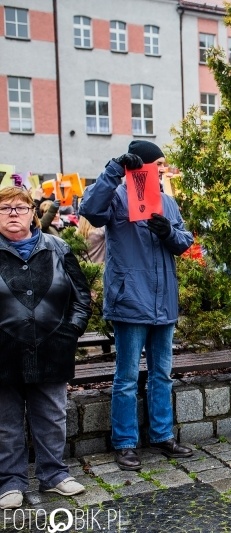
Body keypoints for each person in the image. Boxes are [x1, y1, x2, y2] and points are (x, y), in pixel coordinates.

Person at [80, 140, 194, 471]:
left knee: (162, 374)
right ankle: (125, 443)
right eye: (157, 163)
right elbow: (89, 210)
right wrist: (114, 168)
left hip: (164, 303)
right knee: (127, 377)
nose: (162, 169)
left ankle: (162, 435)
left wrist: (168, 232)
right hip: (131, 301)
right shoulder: (117, 198)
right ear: (140, 165)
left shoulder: (168, 202)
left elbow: (184, 242)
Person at [0, 187, 92, 509]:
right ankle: (10, 481)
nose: (13, 213)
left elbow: (81, 298)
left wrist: (69, 332)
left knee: (52, 416)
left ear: (32, 214)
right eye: (5, 208)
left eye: (20, 207)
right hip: (3, 353)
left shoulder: (58, 246)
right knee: (5, 420)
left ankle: (54, 475)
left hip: (53, 349)